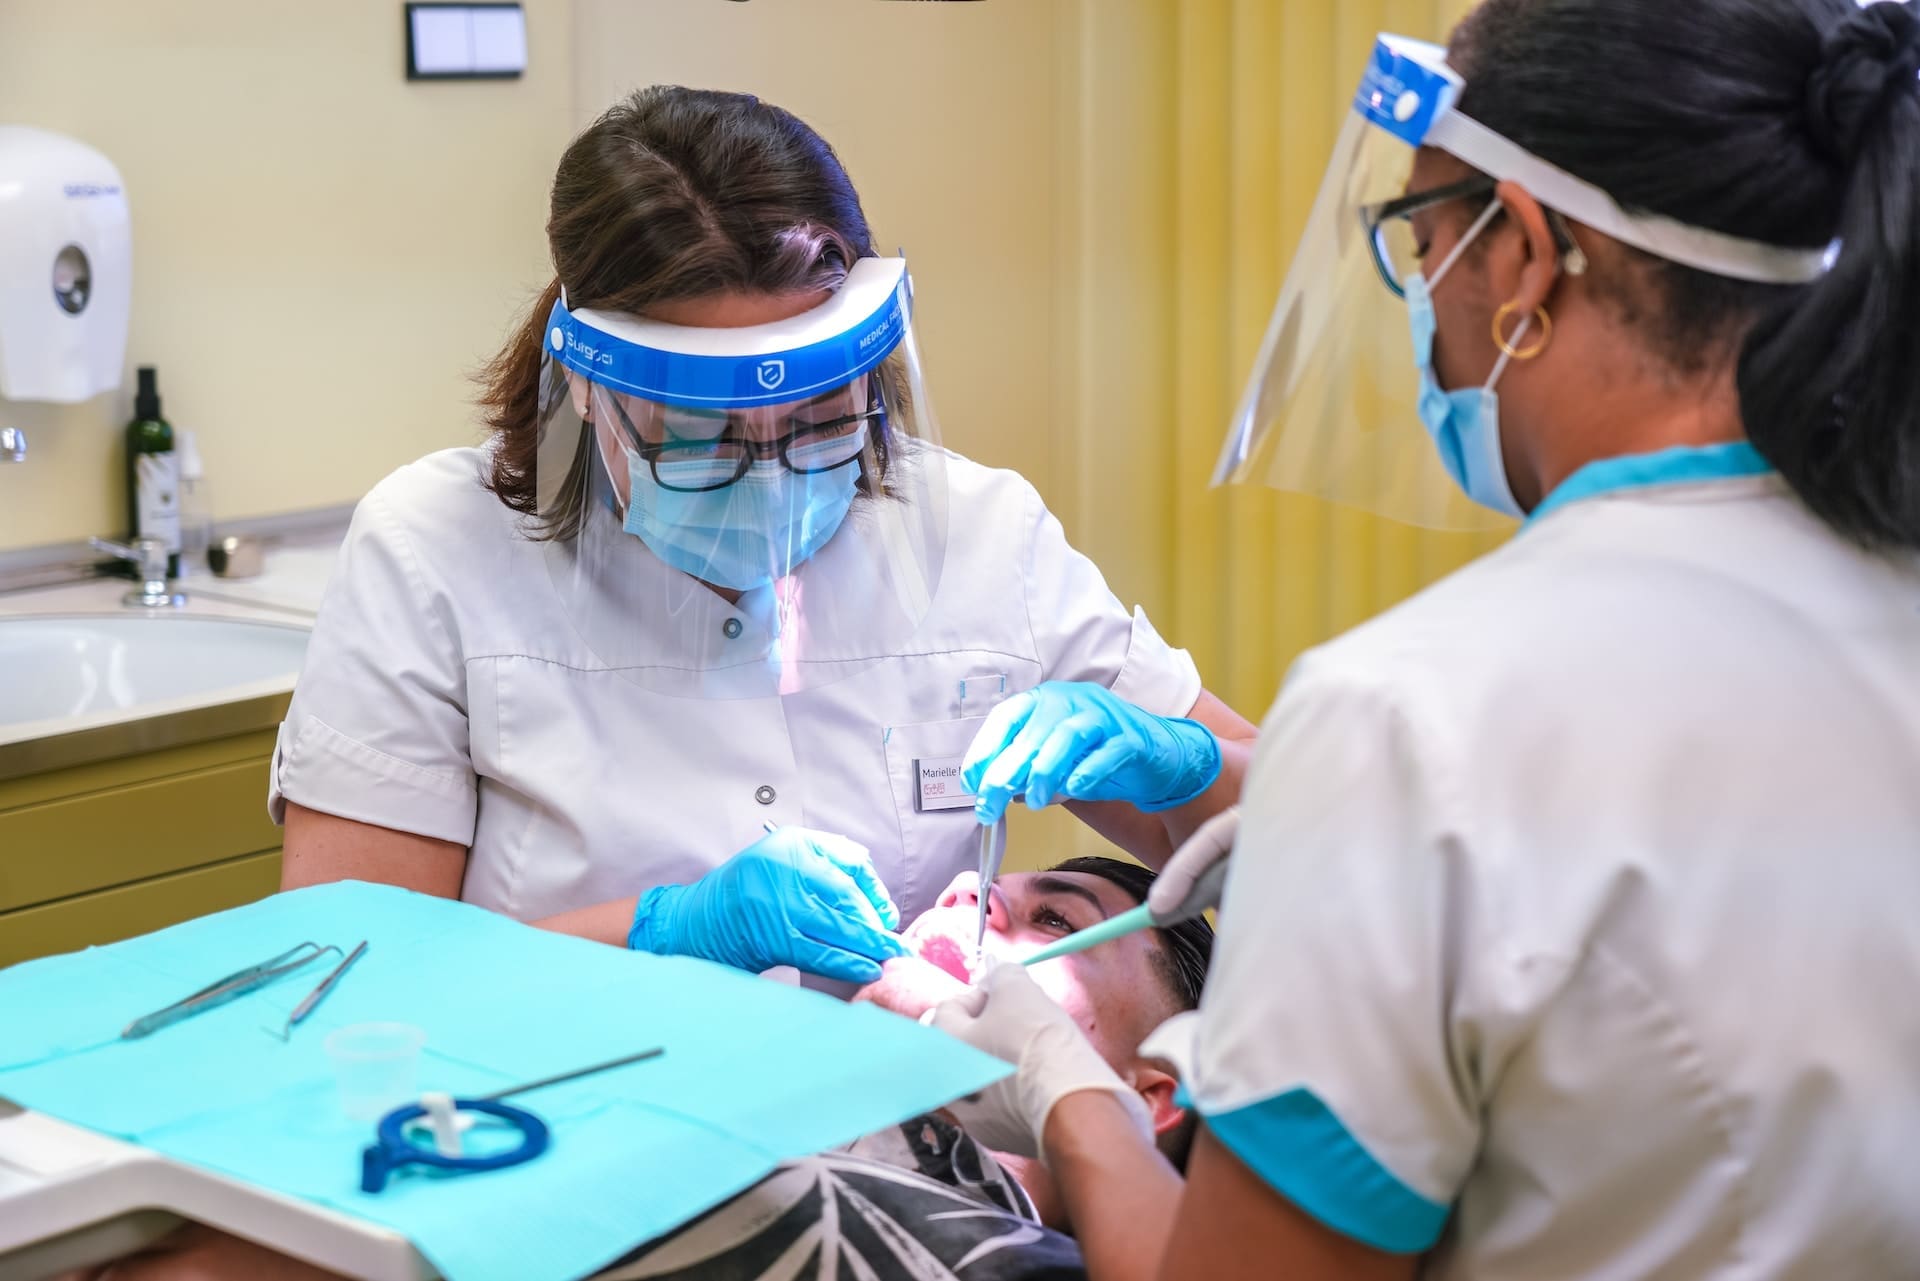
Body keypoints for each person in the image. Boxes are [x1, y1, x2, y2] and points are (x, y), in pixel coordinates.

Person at [930, 1, 1920, 1278]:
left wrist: (1071, 1092)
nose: (1419, 309)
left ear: (1521, 257)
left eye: (1422, 243)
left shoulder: (1412, 715)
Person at [271, 85, 1254, 986]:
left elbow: (1320, 860)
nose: (773, 480)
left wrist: (1190, 773)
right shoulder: (434, 552)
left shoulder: (983, 536)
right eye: (700, 439)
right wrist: (657, 931)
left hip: (905, 1147)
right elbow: (349, 985)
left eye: (821, 419)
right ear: (588, 389)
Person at [58, 856, 1214, 1281]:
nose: (972, 893)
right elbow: (398, 1005)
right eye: (986, 880)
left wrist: (1078, 1106)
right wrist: (661, 927)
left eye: (1047, 917)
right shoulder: (753, 1074)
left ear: (1156, 1089)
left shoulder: (1014, 1257)